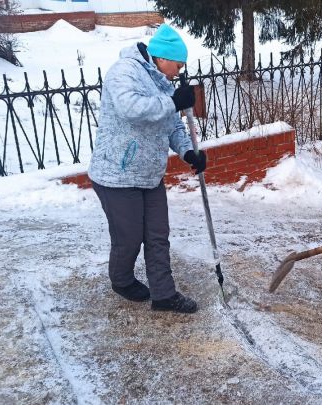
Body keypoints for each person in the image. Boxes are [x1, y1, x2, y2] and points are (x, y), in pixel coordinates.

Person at [88, 24, 207, 314]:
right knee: (128, 237)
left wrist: (188, 151)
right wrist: (171, 102)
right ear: (162, 58)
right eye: (177, 65)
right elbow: (132, 109)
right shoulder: (124, 71)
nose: (178, 72)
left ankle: (164, 295)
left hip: (150, 174)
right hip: (116, 174)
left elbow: (172, 125)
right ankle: (122, 279)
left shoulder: (163, 83)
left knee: (157, 235)